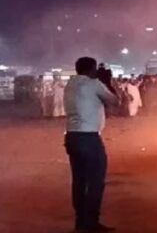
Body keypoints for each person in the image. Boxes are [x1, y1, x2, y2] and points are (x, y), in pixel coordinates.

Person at [64, 56, 119, 232]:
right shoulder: (93, 84)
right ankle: (91, 222)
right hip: (89, 137)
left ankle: (80, 221)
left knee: (79, 181)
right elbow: (114, 100)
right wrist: (107, 81)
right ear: (91, 69)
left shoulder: (70, 85)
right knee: (95, 181)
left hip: (72, 136)